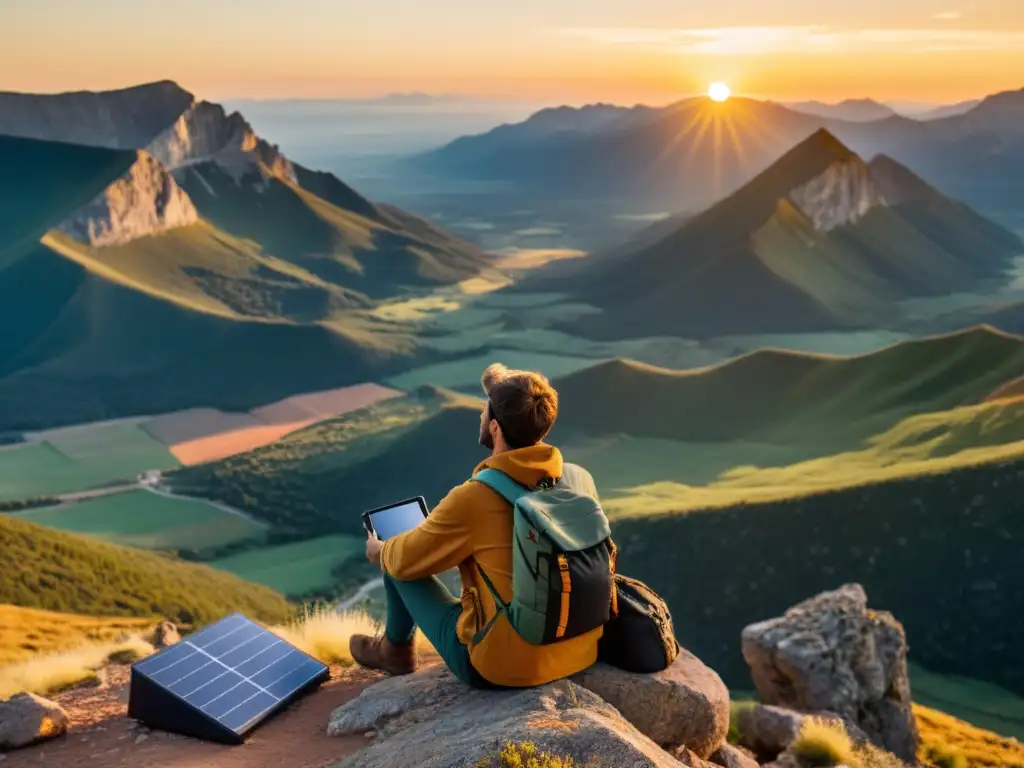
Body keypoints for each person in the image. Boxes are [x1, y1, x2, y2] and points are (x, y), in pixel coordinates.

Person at [350, 363, 603, 688]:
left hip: (506, 666)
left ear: (495, 428)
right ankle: (393, 650)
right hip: (581, 649)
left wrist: (380, 550)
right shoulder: (576, 480)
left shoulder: (477, 497)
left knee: (396, 562)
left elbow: (406, 561)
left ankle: (393, 652)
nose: (480, 416)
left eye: (484, 411)